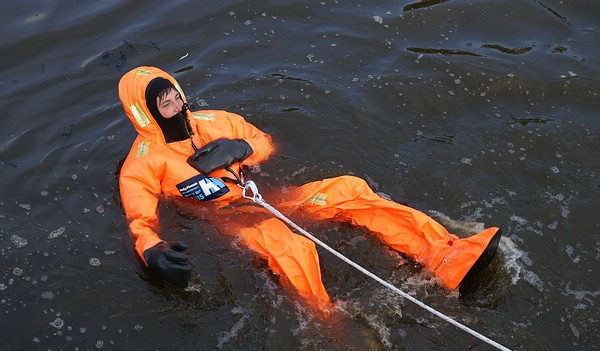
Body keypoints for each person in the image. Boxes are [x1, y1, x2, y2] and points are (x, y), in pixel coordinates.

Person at [117, 65, 501, 314]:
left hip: (263, 196)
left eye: (173, 94)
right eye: (162, 102)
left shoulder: (216, 120)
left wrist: (246, 148)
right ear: (146, 112)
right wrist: (152, 251)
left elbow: (264, 141)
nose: (174, 103)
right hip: (227, 220)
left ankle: (445, 254)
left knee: (346, 189)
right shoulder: (142, 163)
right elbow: (140, 218)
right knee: (291, 247)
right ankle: (329, 324)